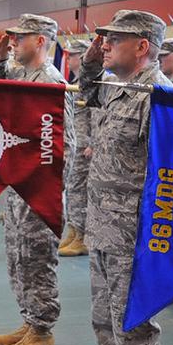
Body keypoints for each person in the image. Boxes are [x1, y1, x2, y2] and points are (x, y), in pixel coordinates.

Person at [77, 10, 172, 345]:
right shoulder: (119, 87)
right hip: (102, 228)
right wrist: (92, 61)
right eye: (104, 39)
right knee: (104, 324)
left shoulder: (159, 96)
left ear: (143, 46)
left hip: (134, 235)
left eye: (115, 39)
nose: (105, 44)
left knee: (134, 330)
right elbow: (86, 92)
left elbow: (171, 177)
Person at [0, 14, 75, 345]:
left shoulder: (50, 82)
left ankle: (42, 332)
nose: (12, 43)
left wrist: (44, 197)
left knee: (37, 261)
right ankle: (29, 320)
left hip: (39, 191)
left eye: (20, 38)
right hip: (19, 185)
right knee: (18, 259)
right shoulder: (23, 74)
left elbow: (65, 144)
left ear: (40, 40)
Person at [60, 39, 92, 257]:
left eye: (72, 55)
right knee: (72, 190)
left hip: (85, 146)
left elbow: (98, 113)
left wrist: (93, 143)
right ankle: (73, 230)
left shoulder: (91, 81)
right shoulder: (76, 80)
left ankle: (82, 236)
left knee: (80, 191)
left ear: (82, 56)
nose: (68, 58)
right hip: (76, 144)